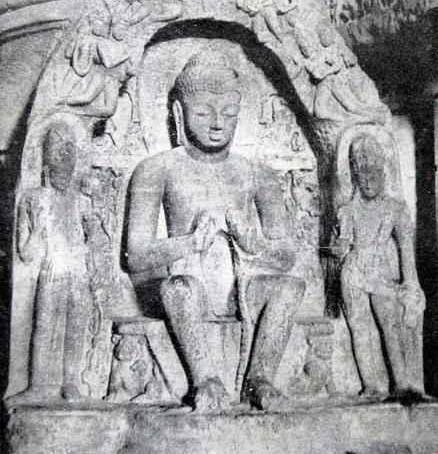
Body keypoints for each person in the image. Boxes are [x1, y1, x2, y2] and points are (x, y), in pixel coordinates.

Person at [126, 49, 304, 412]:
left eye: (229, 113)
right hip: (190, 285)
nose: (218, 123)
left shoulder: (258, 174)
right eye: (204, 113)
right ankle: (205, 379)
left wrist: (251, 241)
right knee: (178, 289)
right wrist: (190, 243)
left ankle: (259, 379)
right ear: (179, 114)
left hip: (244, 287)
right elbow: (136, 256)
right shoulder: (157, 169)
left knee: (289, 288)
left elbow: (286, 256)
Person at [331, 134, 425, 400]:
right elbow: (341, 247)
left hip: (380, 274)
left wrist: (411, 284)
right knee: (359, 327)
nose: (368, 181)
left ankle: (403, 383)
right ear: (354, 177)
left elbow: (406, 249)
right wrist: (338, 245)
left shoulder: (395, 208)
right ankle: (372, 385)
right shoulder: (348, 210)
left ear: (384, 172)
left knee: (390, 321)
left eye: (373, 174)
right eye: (362, 175)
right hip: (353, 272)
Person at [10, 123, 91, 404]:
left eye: (70, 147)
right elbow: (26, 253)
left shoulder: (81, 200)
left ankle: (71, 382)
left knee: (76, 328)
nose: (65, 153)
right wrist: (38, 229)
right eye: (57, 146)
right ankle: (37, 385)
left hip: (79, 274)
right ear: (45, 154)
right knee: (44, 327)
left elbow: (94, 239)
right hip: (52, 271)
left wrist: (94, 231)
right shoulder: (33, 199)